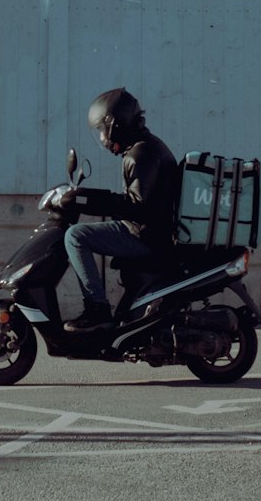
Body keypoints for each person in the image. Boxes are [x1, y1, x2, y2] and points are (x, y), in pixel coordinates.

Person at [60, 87, 178, 332]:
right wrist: (88, 196)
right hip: (150, 231)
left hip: (146, 236)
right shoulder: (145, 148)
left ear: (116, 125)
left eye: (103, 130)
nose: (103, 138)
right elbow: (135, 200)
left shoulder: (141, 154)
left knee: (76, 236)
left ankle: (96, 309)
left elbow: (135, 205)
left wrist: (87, 201)